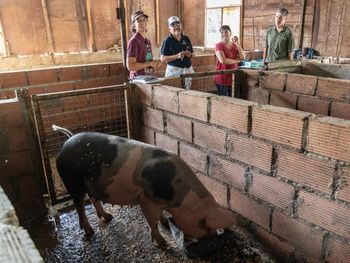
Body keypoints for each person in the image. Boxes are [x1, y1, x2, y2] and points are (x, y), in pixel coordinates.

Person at [160, 16, 194, 89]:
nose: (176, 26)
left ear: (181, 26)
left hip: (187, 71)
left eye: (178, 24)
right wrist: (176, 56)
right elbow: (162, 59)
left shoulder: (186, 38)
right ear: (169, 29)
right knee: (174, 93)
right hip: (173, 72)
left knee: (186, 93)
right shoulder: (167, 41)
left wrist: (190, 54)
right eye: (173, 25)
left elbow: (193, 53)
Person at [127, 10, 160, 80]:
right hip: (138, 79)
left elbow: (147, 61)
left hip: (147, 77)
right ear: (134, 24)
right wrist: (150, 63)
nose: (142, 22)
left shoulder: (147, 41)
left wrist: (155, 63)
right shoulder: (134, 41)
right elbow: (130, 66)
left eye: (144, 20)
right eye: (139, 21)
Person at [214, 25, 244, 96]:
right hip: (222, 78)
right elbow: (223, 60)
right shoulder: (218, 45)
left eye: (226, 31)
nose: (224, 34)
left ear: (230, 33)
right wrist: (237, 61)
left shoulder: (234, 45)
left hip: (233, 78)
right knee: (222, 101)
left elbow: (242, 57)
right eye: (222, 32)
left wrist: (237, 43)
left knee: (233, 100)